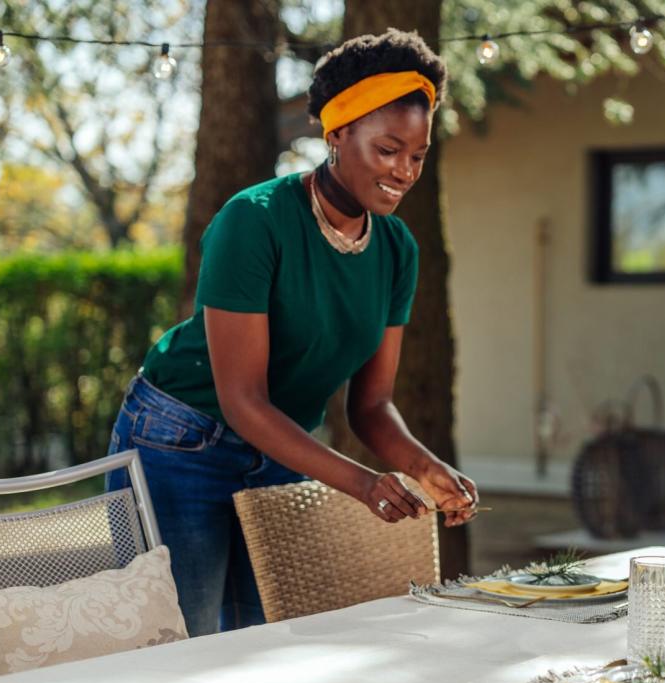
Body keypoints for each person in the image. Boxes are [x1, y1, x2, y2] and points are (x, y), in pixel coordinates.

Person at [107, 29, 478, 636]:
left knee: (271, 638)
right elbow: (242, 399)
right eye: (387, 149)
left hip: (279, 446)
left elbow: (372, 405)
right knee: (179, 645)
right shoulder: (253, 222)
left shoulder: (397, 250)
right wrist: (364, 484)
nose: (404, 171)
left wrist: (424, 466)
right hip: (180, 440)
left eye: (417, 155)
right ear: (336, 134)